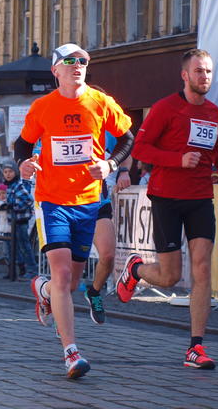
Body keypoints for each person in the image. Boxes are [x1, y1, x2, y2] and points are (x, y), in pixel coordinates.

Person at [14, 43, 133, 379]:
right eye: (70, 61)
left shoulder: (100, 101)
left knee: (70, 282)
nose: (77, 65)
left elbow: (128, 138)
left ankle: (43, 289)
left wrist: (110, 164)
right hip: (52, 201)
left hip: (89, 202)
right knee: (64, 275)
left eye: (83, 60)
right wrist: (23, 163)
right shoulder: (43, 107)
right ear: (56, 70)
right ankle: (71, 352)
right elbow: (23, 143)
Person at [117, 48, 218, 370]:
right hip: (167, 198)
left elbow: (216, 148)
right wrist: (177, 160)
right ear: (185, 75)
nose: (205, 76)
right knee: (169, 277)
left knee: (202, 268)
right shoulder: (165, 108)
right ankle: (136, 269)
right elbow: (141, 149)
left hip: (200, 197)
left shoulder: (213, 112)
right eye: (199, 71)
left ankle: (195, 347)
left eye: (208, 71)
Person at [84, 134, 132, 324]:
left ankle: (94, 292)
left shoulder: (107, 129)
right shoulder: (63, 125)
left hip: (98, 203)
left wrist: (124, 171)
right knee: (66, 272)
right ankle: (53, 302)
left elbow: (127, 150)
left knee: (108, 255)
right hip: (67, 205)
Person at [2, 163, 38, 279]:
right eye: (5, 172)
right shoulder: (10, 186)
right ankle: (19, 269)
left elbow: (28, 200)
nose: (8, 174)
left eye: (10, 171)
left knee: (24, 246)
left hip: (20, 221)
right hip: (12, 221)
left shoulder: (18, 185)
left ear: (16, 172)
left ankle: (32, 270)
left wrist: (14, 207)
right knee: (13, 246)